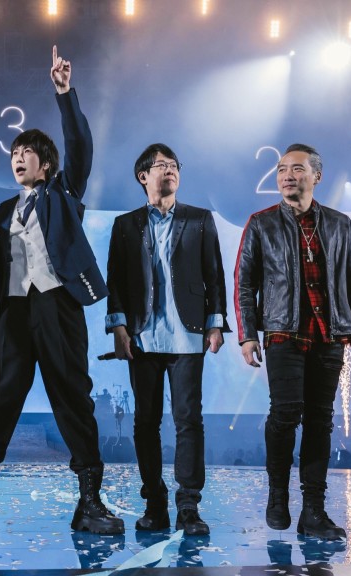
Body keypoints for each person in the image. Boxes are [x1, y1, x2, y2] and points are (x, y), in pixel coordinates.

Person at [0, 46, 123, 536]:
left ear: (46, 164)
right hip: (12, 314)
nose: (17, 158)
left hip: (58, 306)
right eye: (13, 154)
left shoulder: (64, 194)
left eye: (26, 153)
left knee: (74, 398)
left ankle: (90, 502)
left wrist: (64, 94)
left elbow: (80, 146)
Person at [234, 143, 351, 541]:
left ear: (316, 176)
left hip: (330, 335)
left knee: (319, 421)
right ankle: (278, 496)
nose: (286, 176)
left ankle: (313, 511)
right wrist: (247, 335)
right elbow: (244, 283)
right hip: (283, 332)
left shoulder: (340, 224)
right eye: (281, 169)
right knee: (284, 415)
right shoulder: (261, 223)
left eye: (296, 169)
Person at [104, 143, 229, 535]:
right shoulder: (125, 225)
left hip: (187, 336)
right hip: (142, 337)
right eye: (161, 165)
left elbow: (214, 276)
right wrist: (119, 328)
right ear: (143, 176)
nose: (170, 170)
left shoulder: (200, 219)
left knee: (188, 420)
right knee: (145, 422)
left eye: (174, 165)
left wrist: (215, 325)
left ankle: (189, 505)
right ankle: (154, 503)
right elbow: (115, 281)